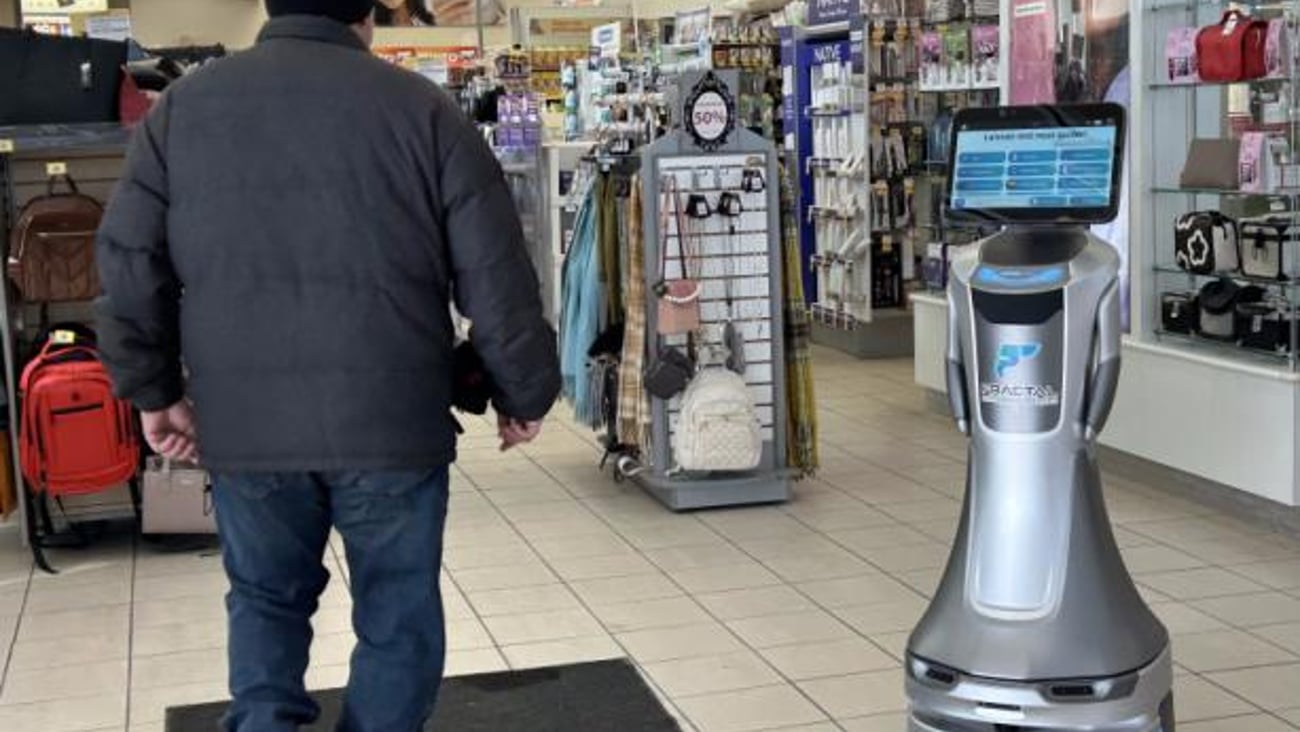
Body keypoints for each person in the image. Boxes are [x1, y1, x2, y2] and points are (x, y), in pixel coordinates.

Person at [94, 1, 561, 730]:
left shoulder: (184, 111)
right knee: (398, 611)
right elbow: (496, 273)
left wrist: (152, 393)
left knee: (265, 601)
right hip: (393, 421)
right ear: (366, 16)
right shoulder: (423, 110)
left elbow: (129, 265)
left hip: (248, 425)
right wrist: (523, 389)